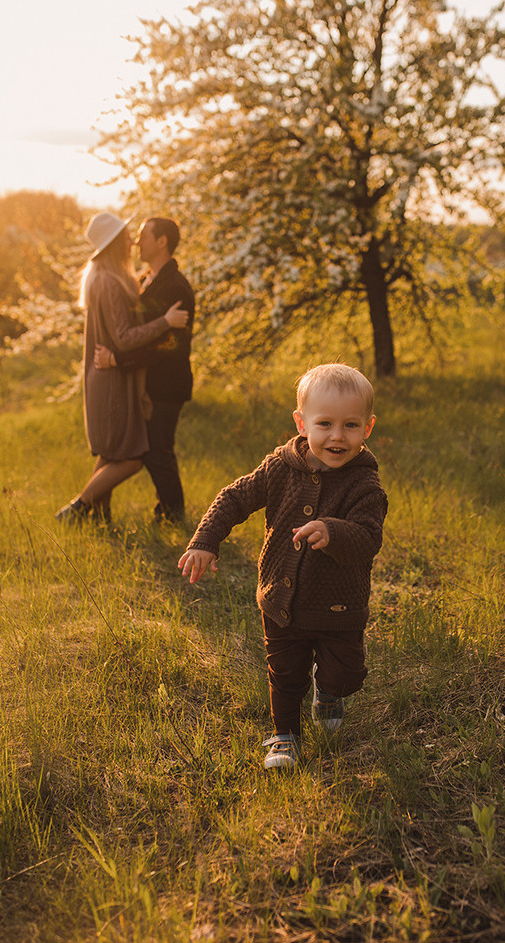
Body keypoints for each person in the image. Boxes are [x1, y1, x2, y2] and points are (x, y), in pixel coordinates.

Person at [178, 363, 388, 771]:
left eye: (350, 425)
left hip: (338, 608)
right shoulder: (280, 468)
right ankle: (285, 737)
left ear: (368, 428)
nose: (336, 436)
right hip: (281, 600)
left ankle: (329, 692)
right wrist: (206, 540)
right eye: (324, 423)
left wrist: (333, 530)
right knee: (286, 674)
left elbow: (368, 538)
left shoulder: (365, 485)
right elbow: (234, 497)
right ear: (301, 422)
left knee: (346, 675)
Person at [55, 212, 189, 523]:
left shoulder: (108, 277)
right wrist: (165, 322)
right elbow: (124, 337)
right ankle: (78, 507)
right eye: (127, 236)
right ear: (115, 243)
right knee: (130, 458)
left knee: (111, 452)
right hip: (113, 378)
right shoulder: (109, 282)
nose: (133, 241)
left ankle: (100, 519)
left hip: (113, 375)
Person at [93, 217, 195, 522]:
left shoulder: (177, 287)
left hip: (167, 383)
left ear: (161, 242)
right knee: (143, 448)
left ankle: (173, 515)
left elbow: (171, 346)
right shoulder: (143, 280)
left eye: (143, 237)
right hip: (143, 382)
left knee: (157, 451)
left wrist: (119, 361)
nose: (137, 242)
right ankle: (105, 508)